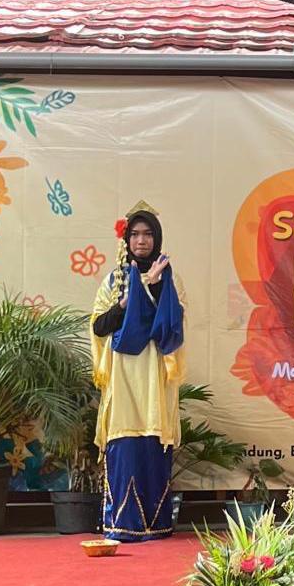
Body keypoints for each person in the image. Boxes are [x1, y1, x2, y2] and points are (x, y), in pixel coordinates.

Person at [90, 202, 186, 541]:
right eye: (135, 234)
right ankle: (122, 524)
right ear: (126, 239)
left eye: (147, 234)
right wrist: (124, 304)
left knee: (152, 442)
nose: (141, 241)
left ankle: (156, 525)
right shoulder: (114, 281)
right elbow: (99, 326)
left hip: (154, 377)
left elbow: (173, 328)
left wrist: (154, 287)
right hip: (123, 379)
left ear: (156, 238)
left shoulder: (169, 278)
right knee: (125, 444)